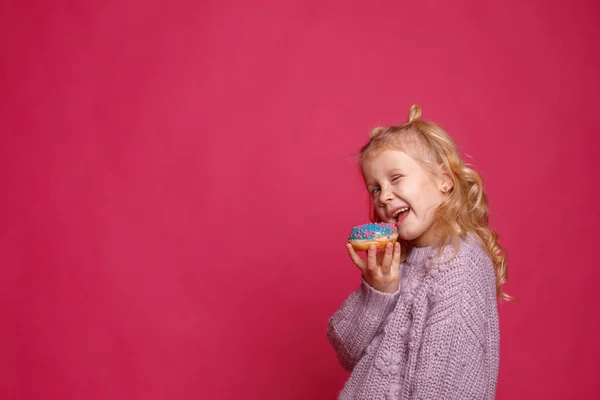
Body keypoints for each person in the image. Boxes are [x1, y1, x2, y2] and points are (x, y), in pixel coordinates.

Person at [327, 105, 513, 399]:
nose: (384, 196)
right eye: (375, 189)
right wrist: (378, 292)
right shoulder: (402, 260)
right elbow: (346, 350)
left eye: (396, 178)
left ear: (444, 180)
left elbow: (443, 389)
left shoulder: (460, 265)